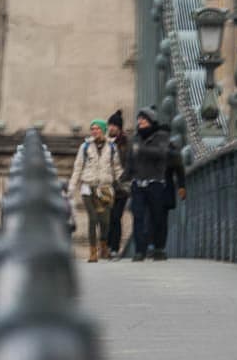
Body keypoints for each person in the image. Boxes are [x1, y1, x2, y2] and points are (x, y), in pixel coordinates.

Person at [126, 106, 187, 261]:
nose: (140, 122)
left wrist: (181, 185)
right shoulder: (135, 138)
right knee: (139, 217)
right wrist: (126, 176)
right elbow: (130, 160)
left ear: (151, 121)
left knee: (157, 217)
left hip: (157, 183)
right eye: (139, 119)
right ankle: (140, 251)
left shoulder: (162, 138)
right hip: (138, 183)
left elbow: (162, 155)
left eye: (143, 119)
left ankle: (159, 248)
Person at [66, 119, 123, 262]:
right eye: (92, 129)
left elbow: (116, 167)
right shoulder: (85, 147)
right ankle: (93, 252)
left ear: (103, 130)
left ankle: (103, 246)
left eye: (97, 128)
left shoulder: (112, 147)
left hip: (105, 188)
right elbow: (77, 168)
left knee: (105, 221)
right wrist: (72, 187)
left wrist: (122, 183)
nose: (94, 131)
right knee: (93, 219)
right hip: (88, 187)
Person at [104, 110, 131, 259]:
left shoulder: (126, 143)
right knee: (107, 218)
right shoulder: (105, 142)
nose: (111, 128)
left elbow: (129, 163)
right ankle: (107, 247)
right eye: (110, 125)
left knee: (116, 217)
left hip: (121, 187)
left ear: (119, 127)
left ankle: (114, 248)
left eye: (114, 125)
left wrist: (125, 180)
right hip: (107, 186)